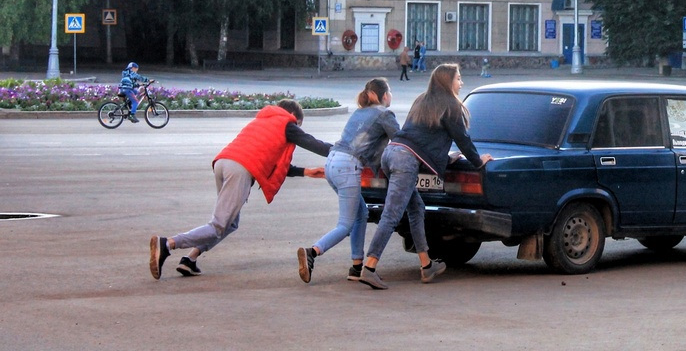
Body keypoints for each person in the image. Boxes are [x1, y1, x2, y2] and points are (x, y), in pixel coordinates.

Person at [149, 99, 330, 279]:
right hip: (240, 169)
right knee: (218, 225)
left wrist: (305, 172)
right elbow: (314, 144)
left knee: (230, 223)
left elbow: (274, 165)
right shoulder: (287, 124)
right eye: (298, 125)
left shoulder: (263, 120)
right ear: (293, 116)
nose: (297, 129)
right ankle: (168, 244)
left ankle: (190, 259)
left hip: (223, 162)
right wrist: (341, 151)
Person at [358, 63, 492, 290]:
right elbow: (463, 139)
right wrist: (478, 161)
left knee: (417, 209)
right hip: (405, 161)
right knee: (391, 215)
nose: (461, 83)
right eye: (458, 78)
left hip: (392, 153)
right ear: (447, 81)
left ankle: (426, 265)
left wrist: (446, 158)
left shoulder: (422, 100)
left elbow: (419, 136)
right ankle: (369, 268)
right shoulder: (450, 106)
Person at [298, 78, 399, 284]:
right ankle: (312, 252)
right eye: (389, 92)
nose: (391, 95)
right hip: (347, 166)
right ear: (384, 95)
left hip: (332, 162)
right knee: (345, 224)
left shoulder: (359, 112)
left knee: (361, 213)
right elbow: (400, 139)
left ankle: (356, 266)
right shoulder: (385, 114)